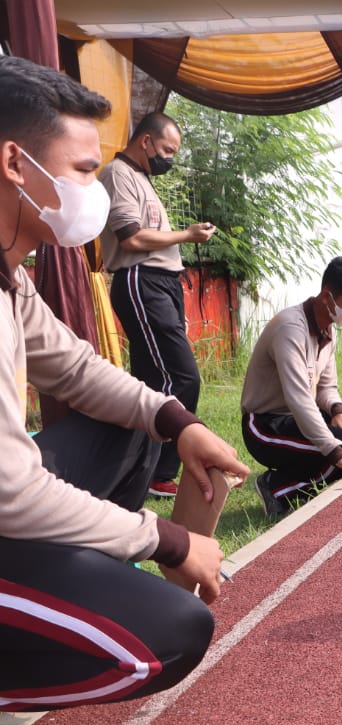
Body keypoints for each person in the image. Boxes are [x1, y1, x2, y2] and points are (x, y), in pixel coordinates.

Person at [0, 56, 250, 710]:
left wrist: (180, 421)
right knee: (170, 632)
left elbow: (77, 370)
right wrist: (168, 538)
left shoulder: (9, 273)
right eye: (84, 171)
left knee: (140, 423)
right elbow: (11, 492)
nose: (95, 189)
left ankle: (70, 580)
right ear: (13, 164)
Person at [100, 112, 216, 498]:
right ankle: (161, 472)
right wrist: (187, 235)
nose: (169, 158)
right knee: (180, 378)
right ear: (146, 141)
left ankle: (139, 470)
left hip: (160, 283)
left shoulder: (141, 179)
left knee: (151, 381)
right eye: (167, 150)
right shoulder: (118, 173)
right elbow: (131, 238)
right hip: (140, 280)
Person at [241, 257, 342, 517]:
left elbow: (326, 386)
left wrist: (338, 410)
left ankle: (297, 480)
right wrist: (336, 452)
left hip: (301, 417)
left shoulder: (327, 327)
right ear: (327, 297)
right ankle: (278, 487)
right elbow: (299, 398)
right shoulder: (291, 329)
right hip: (267, 427)